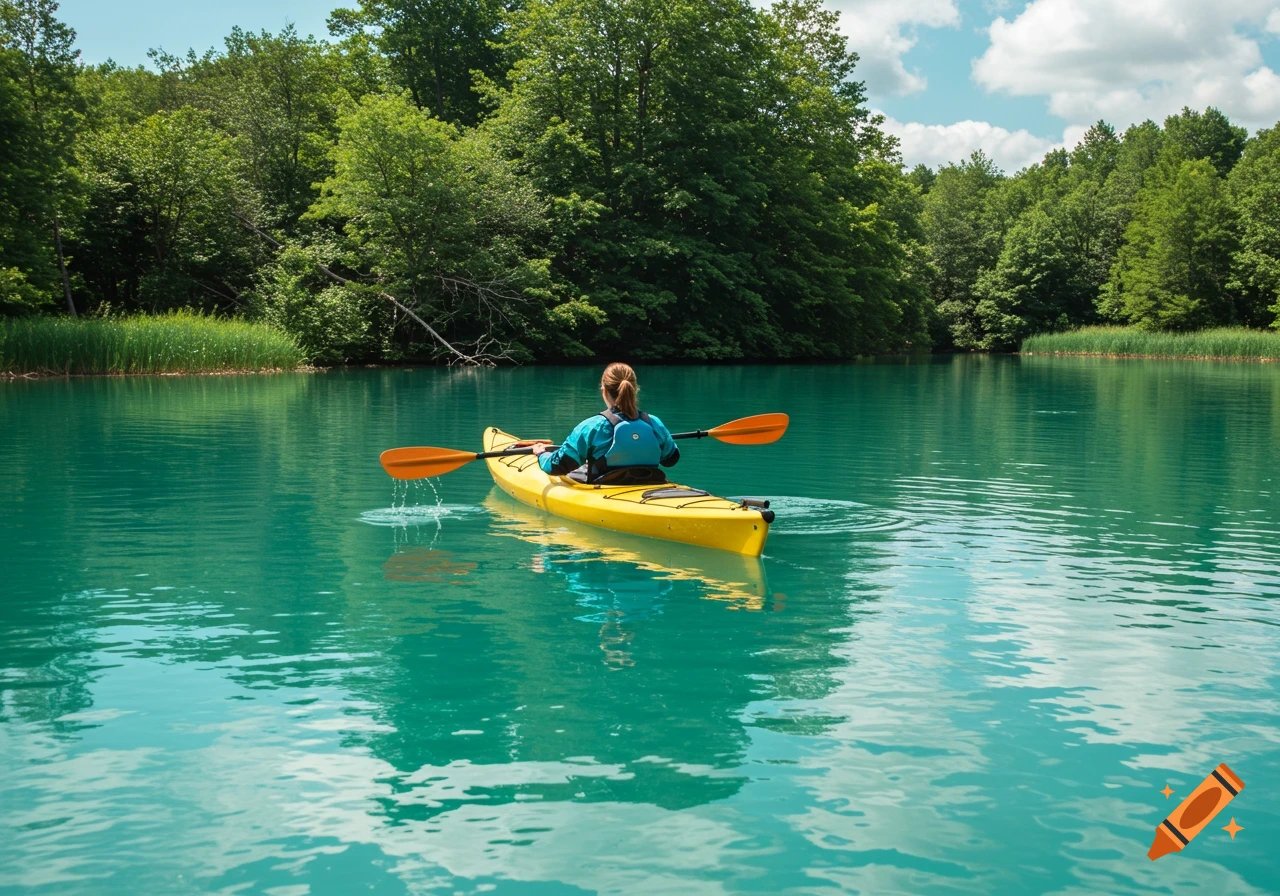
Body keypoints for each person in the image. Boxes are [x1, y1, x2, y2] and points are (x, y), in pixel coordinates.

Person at [531, 363, 680, 483]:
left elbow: (557, 466)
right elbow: (671, 459)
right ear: (635, 389)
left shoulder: (592, 427)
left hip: (606, 488)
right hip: (650, 483)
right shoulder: (653, 423)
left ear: (604, 391)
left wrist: (541, 454)